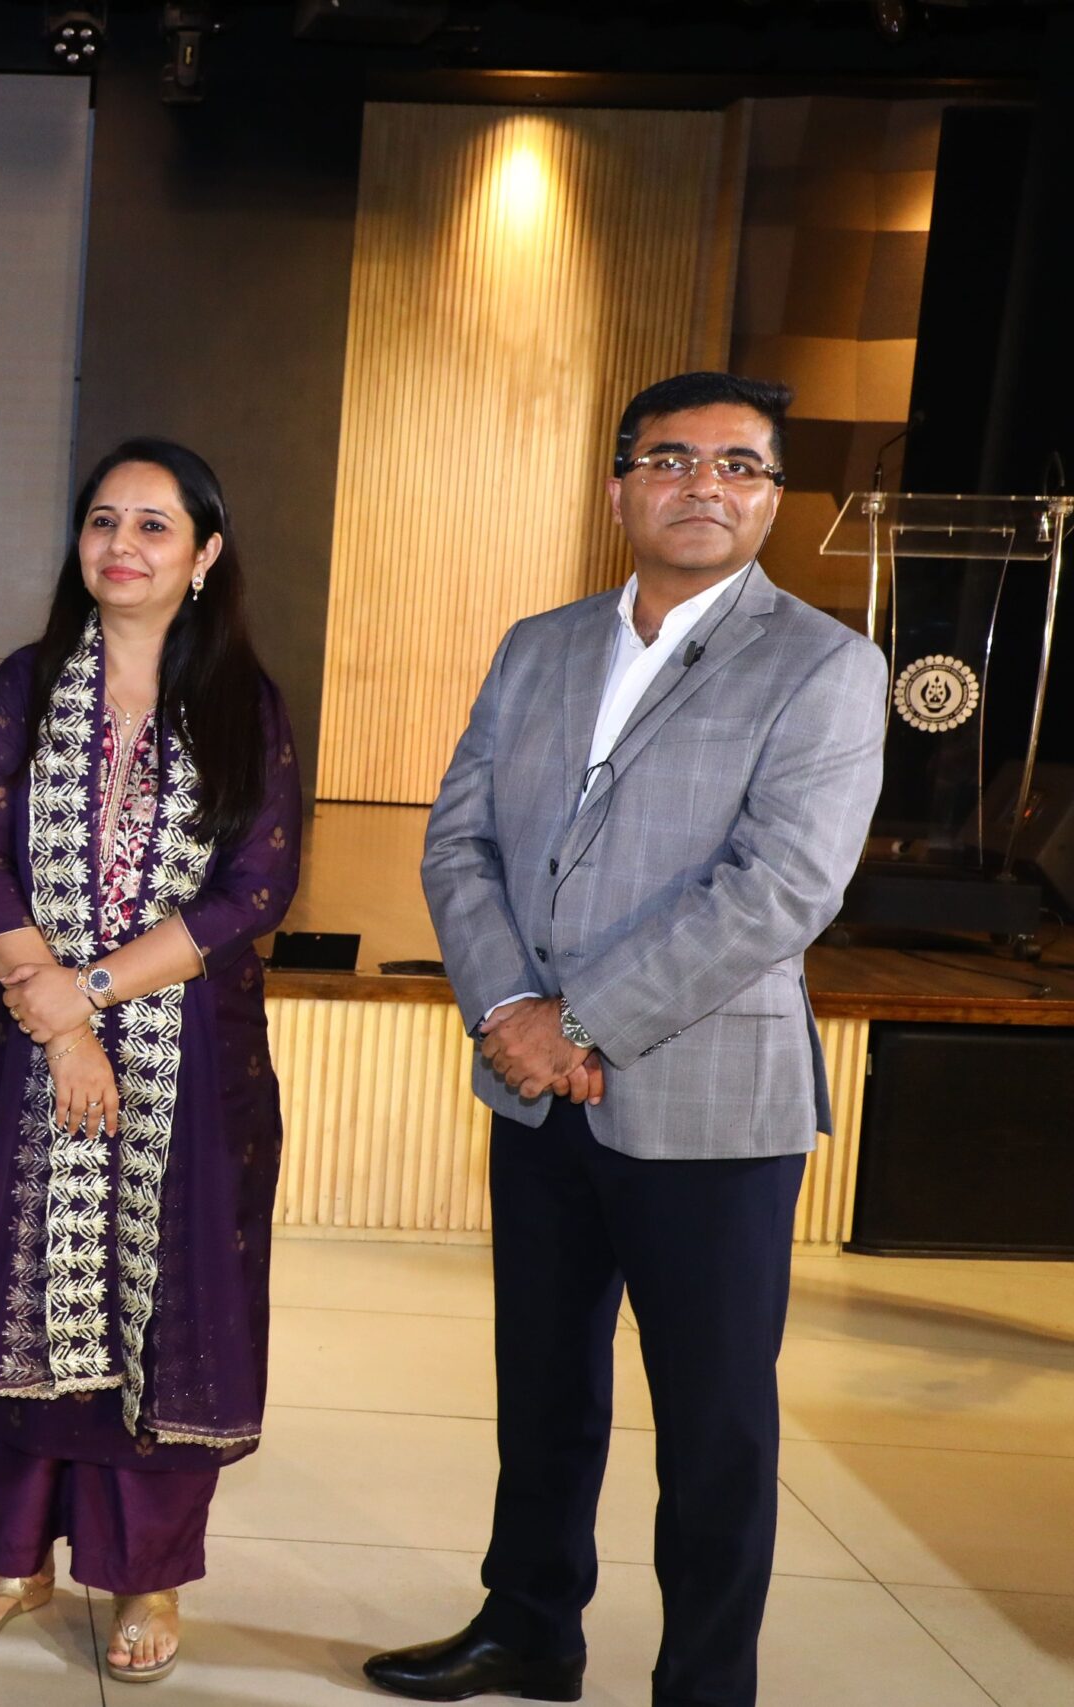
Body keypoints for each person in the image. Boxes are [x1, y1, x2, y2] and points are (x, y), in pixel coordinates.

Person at [367, 373, 886, 1707]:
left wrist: (581, 1020)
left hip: (710, 1105)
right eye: (670, 458)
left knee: (713, 1425)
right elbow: (459, 841)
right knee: (543, 1389)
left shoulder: (823, 665)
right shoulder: (538, 645)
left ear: (772, 498)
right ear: (618, 488)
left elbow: (780, 890)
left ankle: (704, 1684)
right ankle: (529, 1629)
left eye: (739, 464)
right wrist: (509, 1014)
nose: (703, 484)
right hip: (538, 1093)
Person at [0, 438, 302, 1686]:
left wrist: (92, 991)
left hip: (194, 1071)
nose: (121, 546)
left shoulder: (244, 704)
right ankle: (12, 1561)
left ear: (205, 555)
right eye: (102, 522)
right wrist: (65, 1027)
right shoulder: (25, 685)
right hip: (25, 1059)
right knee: (14, 1303)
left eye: (153, 526)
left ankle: (147, 1578)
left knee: (169, 1317)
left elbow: (256, 888)